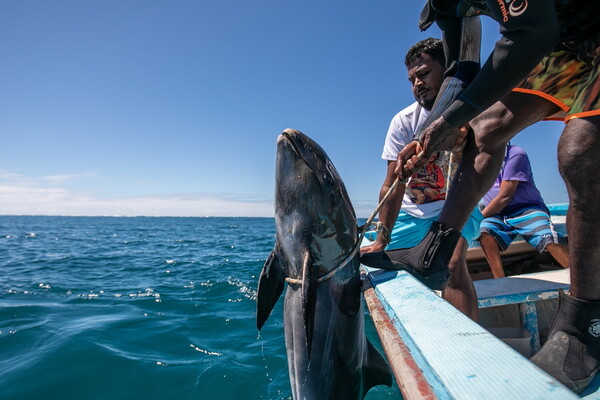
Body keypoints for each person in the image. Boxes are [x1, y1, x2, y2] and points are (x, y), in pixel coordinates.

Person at [368, 0, 600, 393]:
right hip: (567, 39)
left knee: (579, 155)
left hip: (561, 34)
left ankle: (585, 324)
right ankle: (434, 250)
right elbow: (463, 70)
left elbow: (533, 33)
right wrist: (439, 127)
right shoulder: (448, 7)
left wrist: (447, 120)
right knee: (485, 128)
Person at [360, 37, 482, 320]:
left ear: (448, 72)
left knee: (451, 260)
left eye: (424, 73)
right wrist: (381, 239)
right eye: (412, 79)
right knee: (364, 260)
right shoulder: (403, 122)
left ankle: (466, 342)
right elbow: (391, 184)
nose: (417, 83)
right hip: (411, 213)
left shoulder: (477, 112)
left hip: (460, 209)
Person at [479, 143, 569, 278]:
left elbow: (505, 196)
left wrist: (476, 218)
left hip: (526, 209)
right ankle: (500, 280)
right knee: (484, 232)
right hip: (498, 215)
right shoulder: (477, 160)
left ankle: (580, 281)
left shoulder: (515, 153)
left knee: (547, 237)